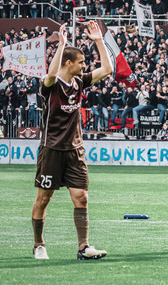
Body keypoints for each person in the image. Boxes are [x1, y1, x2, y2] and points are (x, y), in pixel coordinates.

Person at [31, 21, 113, 260]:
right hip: (52, 149)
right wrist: (62, 45)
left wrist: (99, 40)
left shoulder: (80, 82)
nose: (84, 66)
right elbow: (51, 74)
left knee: (81, 197)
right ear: (69, 63)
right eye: (81, 62)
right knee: (43, 198)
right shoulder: (51, 85)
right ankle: (38, 244)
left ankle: (84, 247)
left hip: (75, 150)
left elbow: (107, 69)